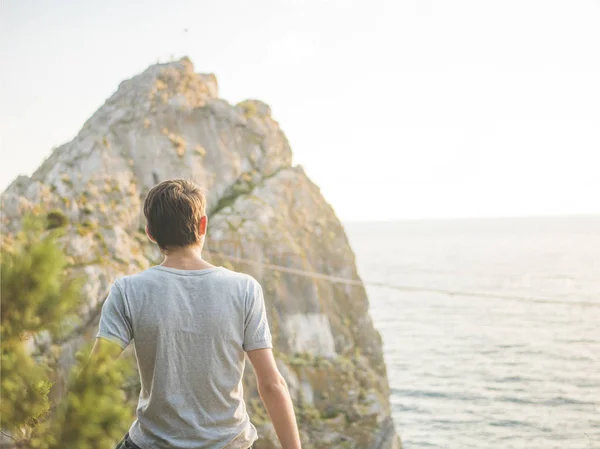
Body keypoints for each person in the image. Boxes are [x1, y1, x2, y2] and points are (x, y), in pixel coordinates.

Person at [91, 179, 302, 449]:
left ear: (150, 233)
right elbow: (272, 385)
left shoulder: (128, 290)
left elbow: (93, 378)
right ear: (203, 226)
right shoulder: (244, 288)